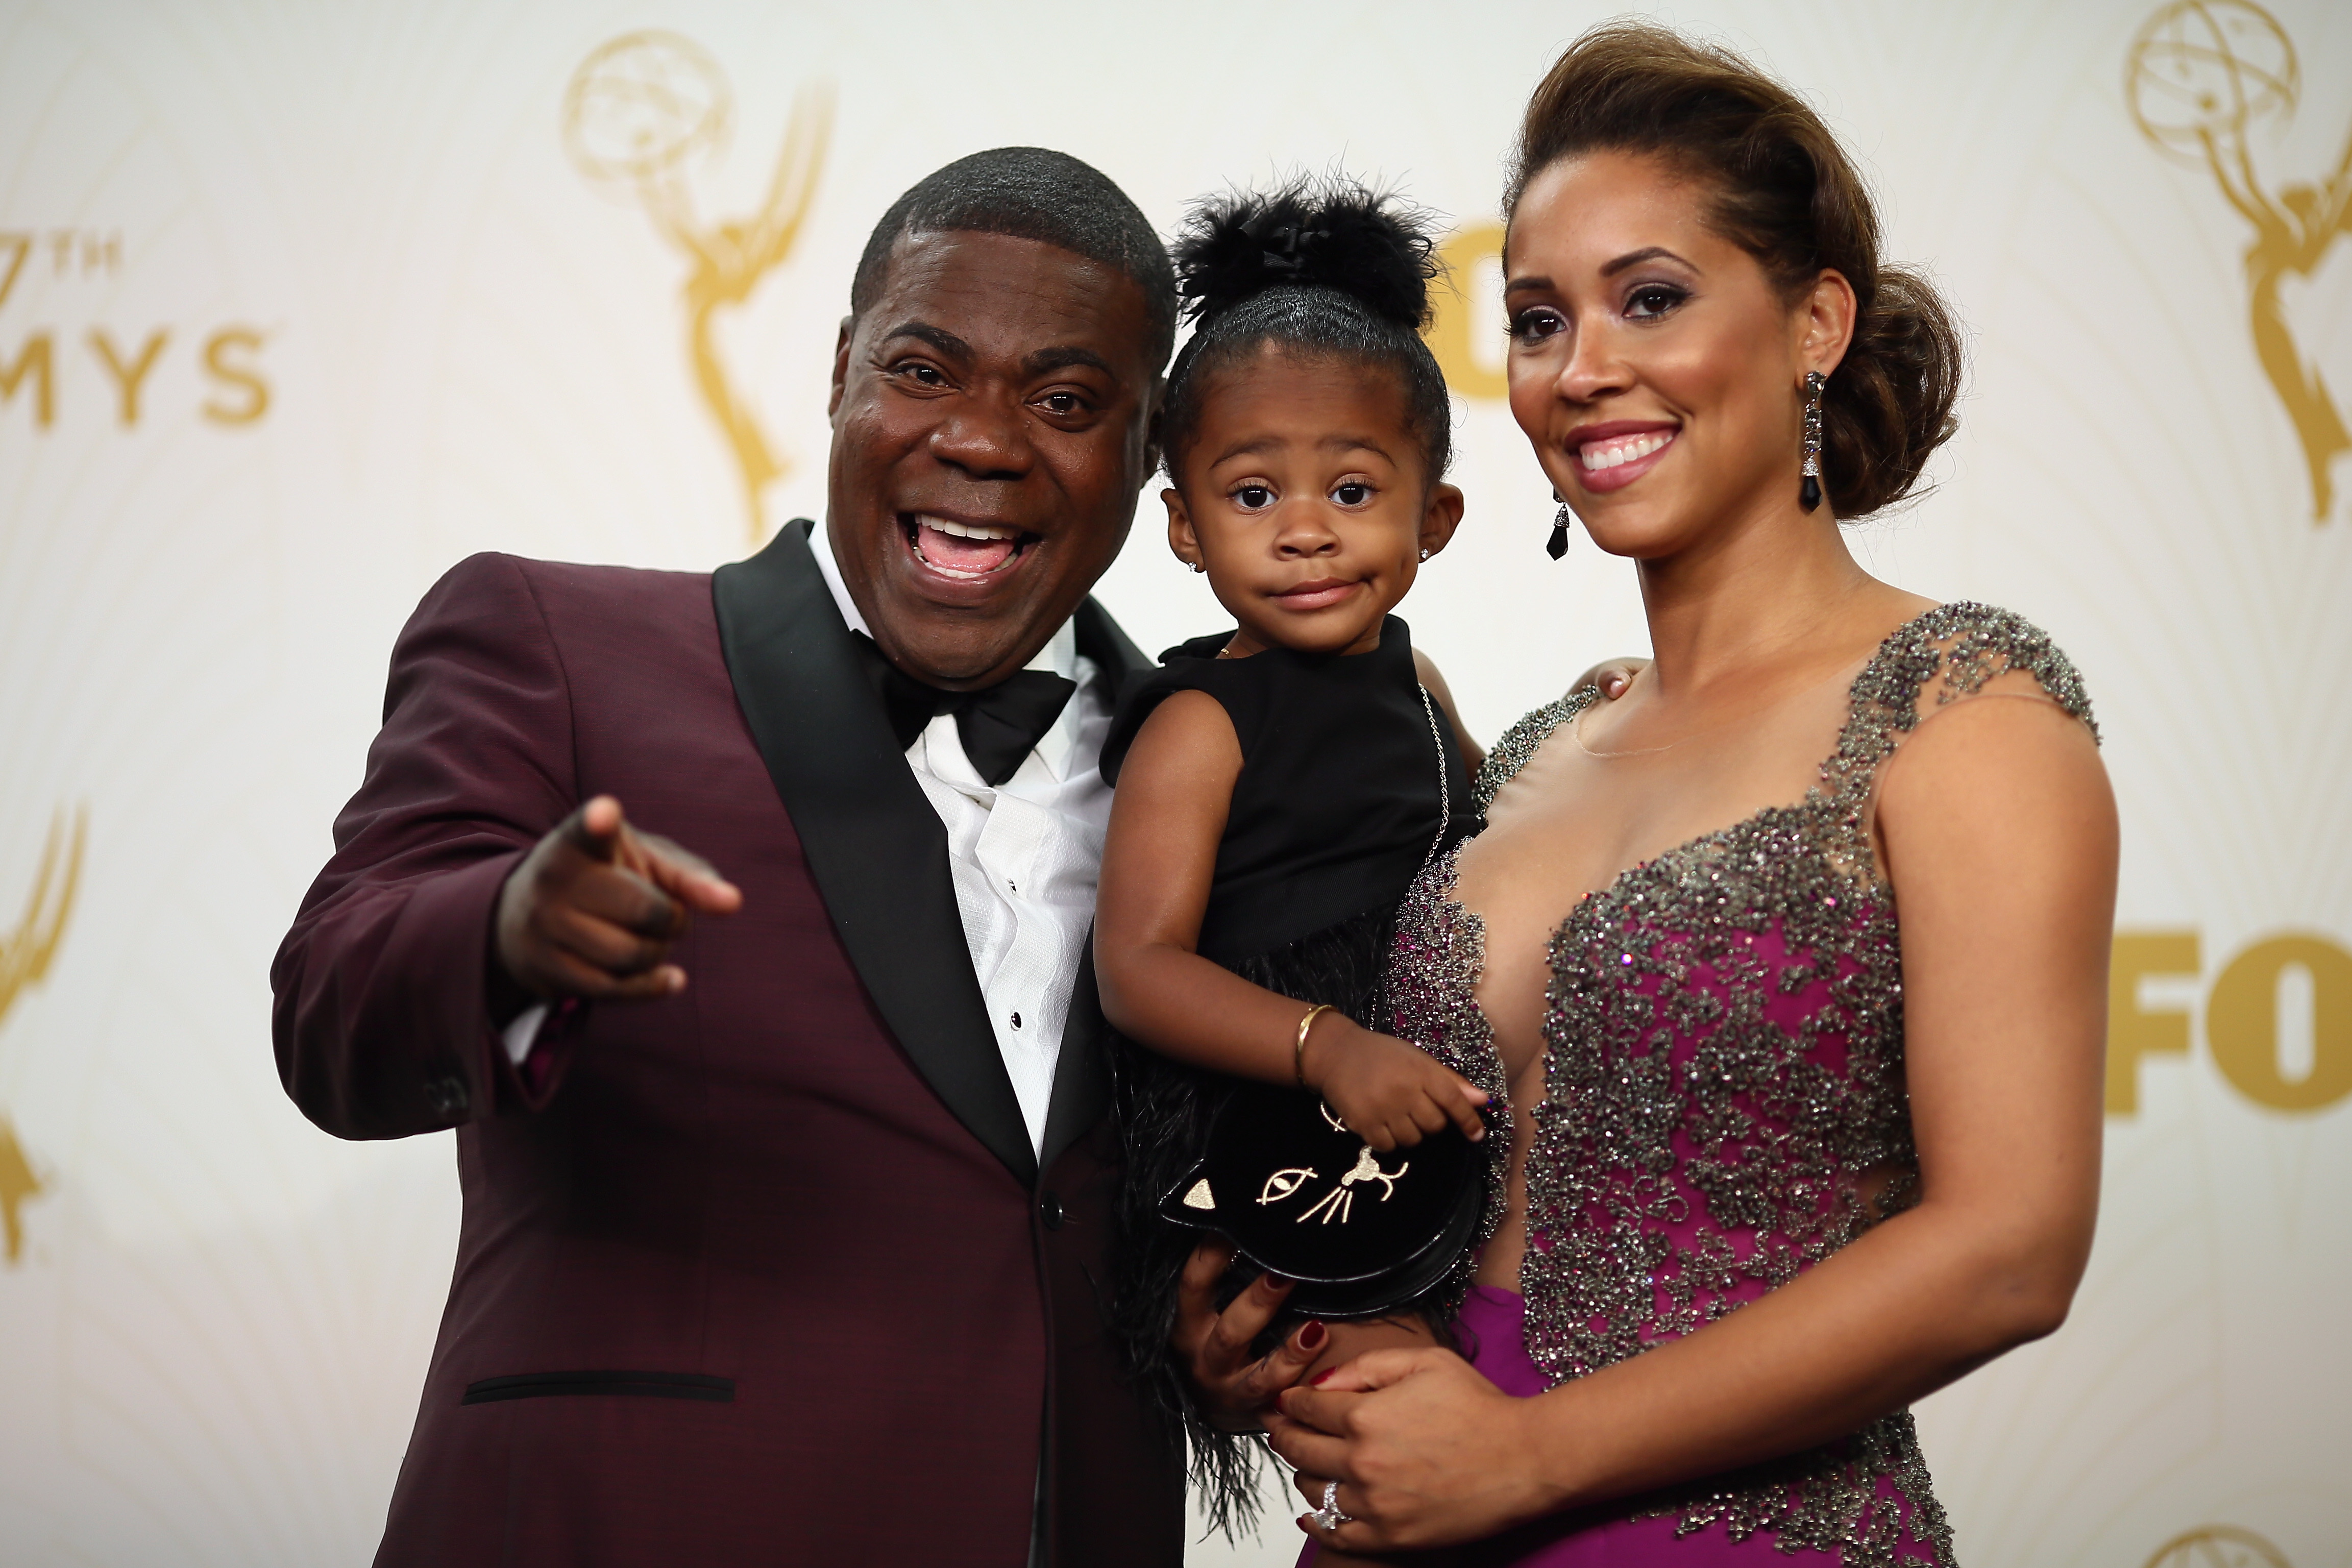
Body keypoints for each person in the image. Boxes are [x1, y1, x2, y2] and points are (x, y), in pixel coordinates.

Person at [1193, 26, 2118, 1564]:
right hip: (1398, 1524)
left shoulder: (1964, 712)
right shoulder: (1542, 746)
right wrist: (1287, 1323)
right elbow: (1437, 1176)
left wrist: (1528, 1455)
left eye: (1653, 298)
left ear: (1815, 319)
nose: (1583, 368)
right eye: (1539, 320)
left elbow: (2010, 1251)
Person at [271, 147, 1192, 1566]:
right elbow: (333, 1010)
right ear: (839, 374)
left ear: (1150, 451)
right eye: (926, 370)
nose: (986, 441)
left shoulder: (1210, 759)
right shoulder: (554, 641)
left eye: (1067, 402)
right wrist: (506, 933)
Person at [1090, 182, 1500, 1532]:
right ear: (1186, 526)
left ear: (1433, 521)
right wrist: (1332, 1048)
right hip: (1267, 1149)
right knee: (1399, 1446)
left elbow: (1499, 839)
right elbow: (1139, 973)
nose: (1306, 527)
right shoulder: (1200, 723)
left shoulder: (1419, 680)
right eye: (1254, 492)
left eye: (1353, 488)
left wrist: (1606, 718)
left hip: (1426, 1112)